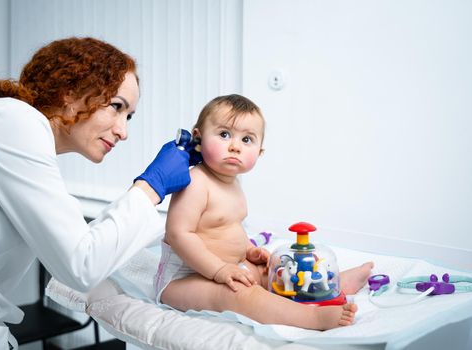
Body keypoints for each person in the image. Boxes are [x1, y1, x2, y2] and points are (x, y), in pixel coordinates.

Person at [0, 37, 198, 349]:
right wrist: (152, 186)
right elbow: (80, 266)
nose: (124, 131)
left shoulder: (18, 136)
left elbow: (74, 244)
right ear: (70, 92)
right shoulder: (13, 121)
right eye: (117, 107)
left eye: (128, 116)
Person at [154, 94, 374, 330]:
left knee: (273, 272)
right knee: (237, 293)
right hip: (184, 279)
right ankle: (312, 318)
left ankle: (328, 287)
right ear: (198, 138)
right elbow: (179, 234)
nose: (235, 146)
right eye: (224, 134)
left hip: (230, 267)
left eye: (246, 139)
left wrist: (248, 250)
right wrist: (219, 270)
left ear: (259, 152)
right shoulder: (196, 182)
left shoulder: (233, 184)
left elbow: (225, 229)